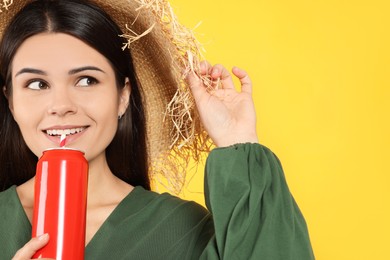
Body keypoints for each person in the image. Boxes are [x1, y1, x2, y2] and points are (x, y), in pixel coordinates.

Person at [0, 0, 315, 259]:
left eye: (86, 80)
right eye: (37, 84)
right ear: (11, 101)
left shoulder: (181, 231)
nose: (61, 104)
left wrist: (237, 139)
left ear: (123, 96)